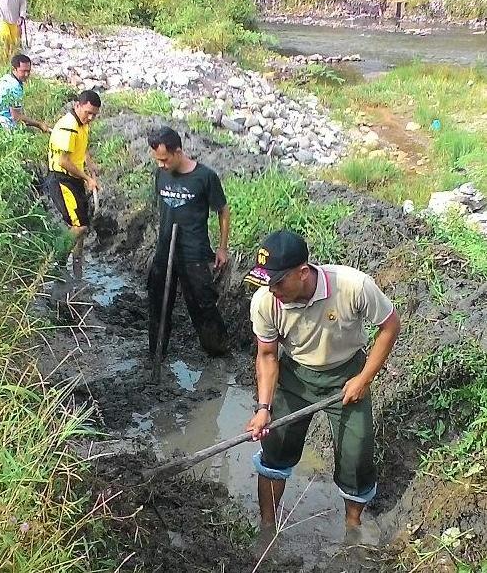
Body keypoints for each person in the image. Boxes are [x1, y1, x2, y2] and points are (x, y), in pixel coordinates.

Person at [243, 229, 401, 544]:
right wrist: (263, 409)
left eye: (278, 282)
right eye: (267, 283)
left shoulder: (353, 286)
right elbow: (267, 356)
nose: (272, 290)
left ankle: (352, 529)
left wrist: (363, 378)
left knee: (356, 457)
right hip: (295, 377)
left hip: (345, 376)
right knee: (275, 450)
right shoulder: (265, 302)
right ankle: (266, 530)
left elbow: (390, 325)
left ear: (302, 273)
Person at [147, 127, 230, 360]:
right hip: (164, 251)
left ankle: (218, 351)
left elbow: (223, 211)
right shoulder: (160, 174)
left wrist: (222, 248)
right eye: (158, 160)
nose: (161, 164)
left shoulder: (205, 177)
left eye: (164, 159)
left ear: (178, 152)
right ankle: (156, 355)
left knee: (202, 306)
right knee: (158, 304)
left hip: (194, 253)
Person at [46, 90, 102, 281]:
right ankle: (57, 263)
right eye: (88, 112)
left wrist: (89, 163)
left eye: (94, 114)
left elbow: (82, 148)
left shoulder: (82, 123)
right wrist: (88, 178)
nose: (91, 117)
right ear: (78, 105)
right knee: (79, 226)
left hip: (74, 179)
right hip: (62, 179)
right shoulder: (68, 126)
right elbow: (63, 161)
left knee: (80, 223)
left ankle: (78, 265)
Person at [0, 53, 49, 132]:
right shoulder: (15, 86)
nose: (26, 75)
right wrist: (39, 124)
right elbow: (16, 117)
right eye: (23, 71)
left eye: (28, 71)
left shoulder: (6, 78)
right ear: (14, 69)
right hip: (1, 124)